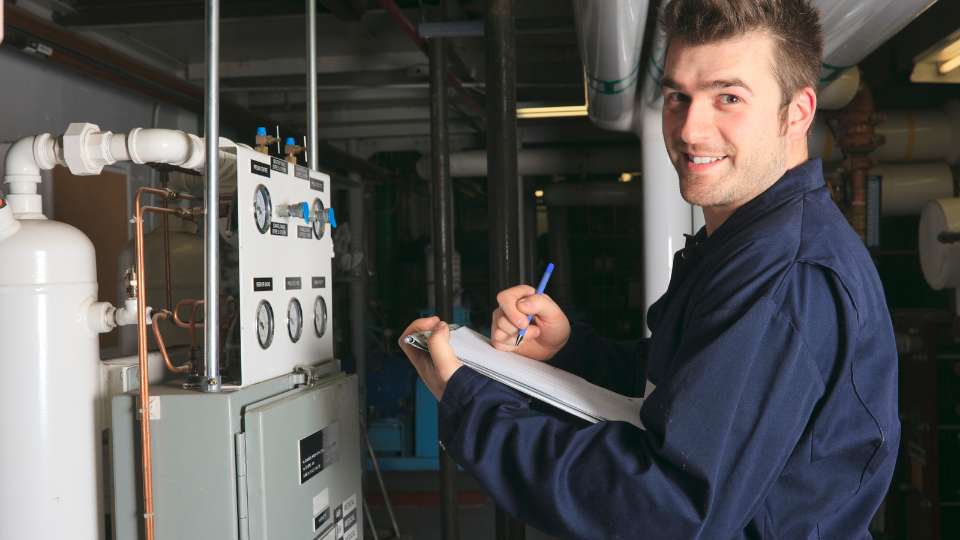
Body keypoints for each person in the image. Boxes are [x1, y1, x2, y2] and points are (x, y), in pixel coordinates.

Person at [399, 0, 900, 537]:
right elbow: (687, 395)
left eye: (728, 98)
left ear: (796, 112)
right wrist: (569, 352)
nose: (690, 130)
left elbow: (664, 509)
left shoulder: (784, 274)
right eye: (677, 97)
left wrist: (471, 406)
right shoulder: (744, 245)